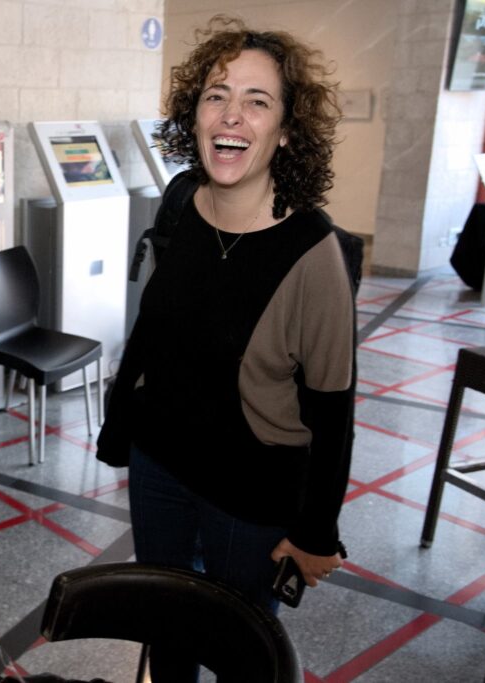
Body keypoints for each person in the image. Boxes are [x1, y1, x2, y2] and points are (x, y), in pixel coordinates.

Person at [98, 15, 353, 678]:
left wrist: (316, 530)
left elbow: (333, 408)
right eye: (217, 95)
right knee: (165, 629)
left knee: (240, 647)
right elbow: (152, 329)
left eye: (257, 101)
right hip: (159, 464)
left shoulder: (313, 251)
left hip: (249, 488)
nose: (231, 114)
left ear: (286, 130)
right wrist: (119, 428)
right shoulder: (183, 203)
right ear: (196, 114)